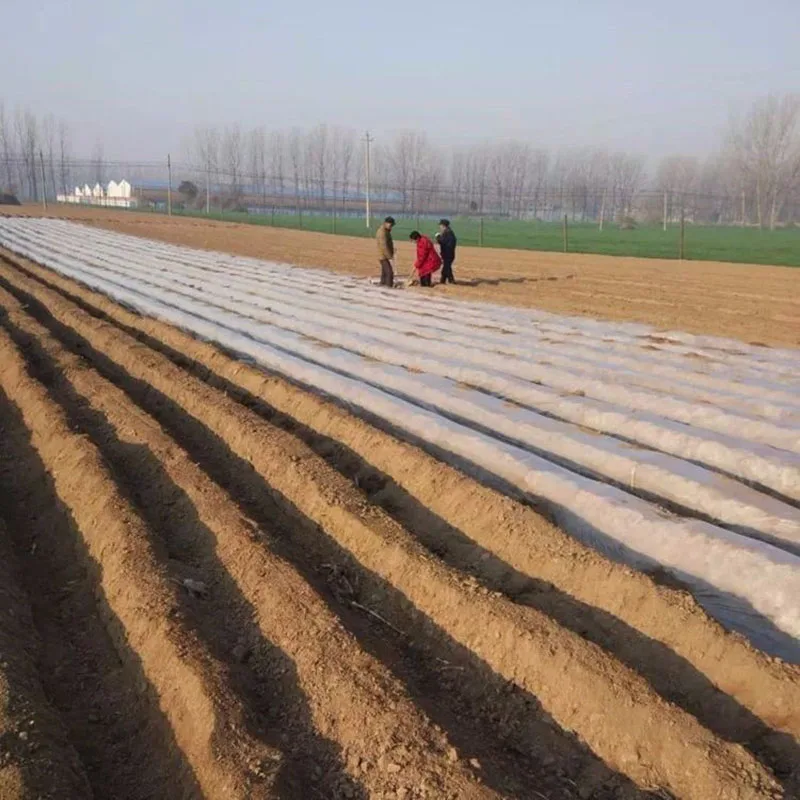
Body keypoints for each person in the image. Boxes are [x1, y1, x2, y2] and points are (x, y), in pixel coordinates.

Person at [376, 216, 396, 287]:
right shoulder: (382, 232)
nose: (391, 227)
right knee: (389, 272)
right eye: (390, 225)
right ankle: (388, 285)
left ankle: (383, 283)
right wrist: (389, 256)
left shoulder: (386, 231)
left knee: (384, 271)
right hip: (383, 255)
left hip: (384, 255)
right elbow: (384, 246)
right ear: (385, 223)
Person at [436, 219, 457, 284]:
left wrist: (438, 237)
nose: (440, 226)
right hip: (449, 253)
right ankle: (443, 280)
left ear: (443, 225)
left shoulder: (447, 233)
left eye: (440, 225)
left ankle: (451, 280)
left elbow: (442, 241)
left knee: (446, 267)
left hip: (448, 254)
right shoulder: (449, 232)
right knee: (446, 267)